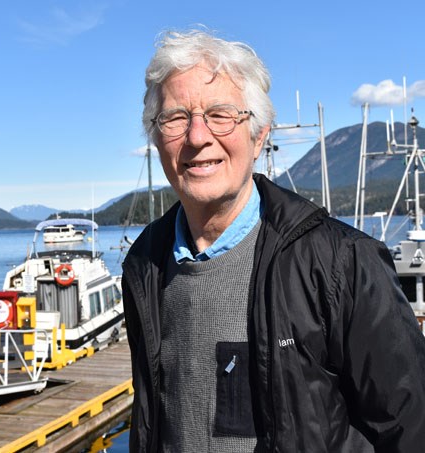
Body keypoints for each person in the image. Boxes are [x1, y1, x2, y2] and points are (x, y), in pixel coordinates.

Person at [121, 29, 425, 453]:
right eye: (175, 118)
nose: (196, 136)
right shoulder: (144, 265)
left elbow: (410, 429)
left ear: (259, 134)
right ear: (156, 137)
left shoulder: (341, 263)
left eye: (221, 114)